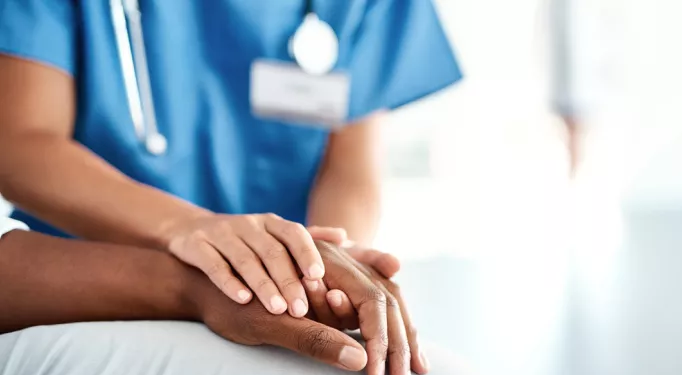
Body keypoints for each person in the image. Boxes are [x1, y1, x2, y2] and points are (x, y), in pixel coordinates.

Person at [0, 0, 462, 320]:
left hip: (275, 296)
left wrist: (324, 266)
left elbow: (349, 167)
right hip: (86, 291)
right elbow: (19, 145)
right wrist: (188, 229)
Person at [0, 217, 490, 375]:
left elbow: (350, 148)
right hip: (67, 292)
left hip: (246, 268)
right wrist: (201, 279)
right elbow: (26, 142)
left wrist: (315, 259)